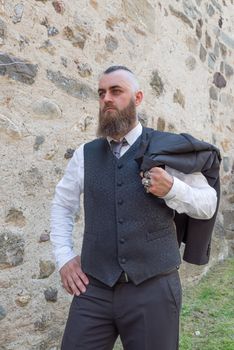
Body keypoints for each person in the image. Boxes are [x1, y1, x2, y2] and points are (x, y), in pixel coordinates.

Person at [50, 66, 218, 350]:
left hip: (153, 288)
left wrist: (173, 189)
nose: (107, 99)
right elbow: (62, 206)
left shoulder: (166, 148)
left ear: (137, 98)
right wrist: (64, 257)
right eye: (102, 93)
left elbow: (208, 203)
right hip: (95, 289)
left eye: (116, 91)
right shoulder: (85, 155)